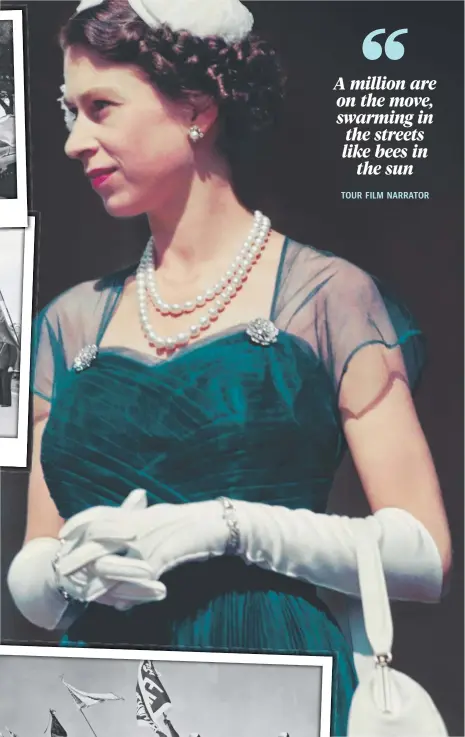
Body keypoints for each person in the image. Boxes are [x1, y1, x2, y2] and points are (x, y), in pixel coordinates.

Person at [7, 1, 452, 735]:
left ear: (196, 107)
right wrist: (66, 571)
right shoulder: (65, 322)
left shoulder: (327, 296)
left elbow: (422, 556)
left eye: (100, 108)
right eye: (68, 112)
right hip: (108, 697)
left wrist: (229, 527)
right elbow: (34, 569)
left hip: (268, 685)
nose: (73, 141)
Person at [0, 340, 18, 407]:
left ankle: (6, 403)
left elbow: (14, 355)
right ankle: (1, 401)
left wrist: (11, 366)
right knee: (1, 385)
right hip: (1, 367)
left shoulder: (11, 344)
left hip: (7, 368)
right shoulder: (1, 343)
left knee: (5, 385)